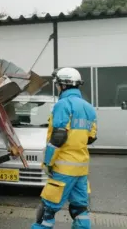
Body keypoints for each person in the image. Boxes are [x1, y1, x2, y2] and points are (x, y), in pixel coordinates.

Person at [32, 67, 97, 229]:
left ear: (64, 85)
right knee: (80, 210)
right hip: (81, 169)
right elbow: (91, 137)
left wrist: (48, 163)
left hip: (63, 167)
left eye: (58, 84)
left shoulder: (63, 104)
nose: (57, 87)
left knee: (46, 211)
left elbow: (58, 138)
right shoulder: (89, 108)